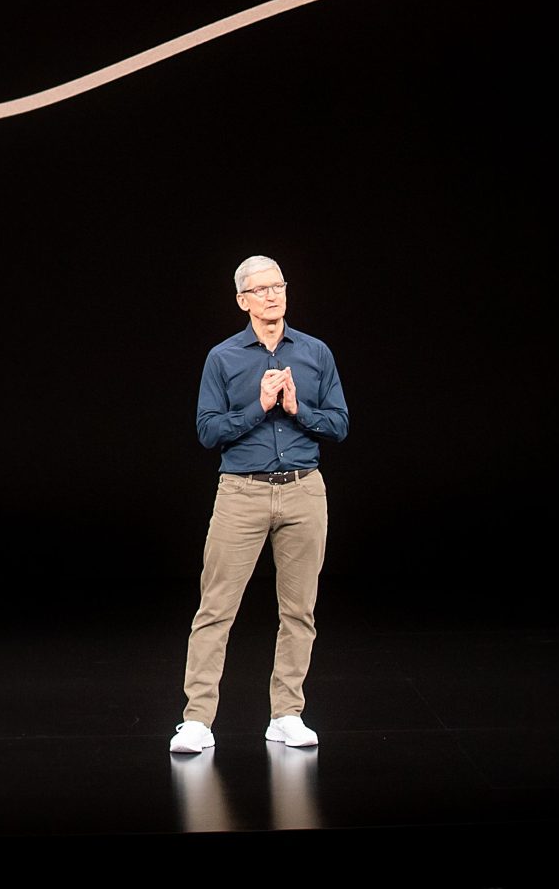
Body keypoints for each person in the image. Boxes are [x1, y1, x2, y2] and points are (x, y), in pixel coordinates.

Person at [169, 254, 348, 754]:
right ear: (242, 300)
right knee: (215, 609)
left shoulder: (315, 353)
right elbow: (208, 432)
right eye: (262, 289)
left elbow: (339, 423)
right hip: (242, 493)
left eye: (280, 286)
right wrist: (257, 407)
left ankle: (287, 713)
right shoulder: (223, 358)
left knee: (299, 611)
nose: (273, 296)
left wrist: (296, 409)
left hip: (303, 489)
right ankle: (198, 720)